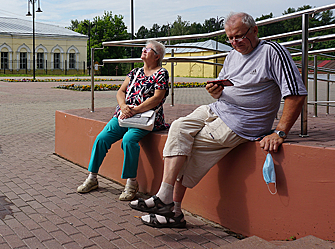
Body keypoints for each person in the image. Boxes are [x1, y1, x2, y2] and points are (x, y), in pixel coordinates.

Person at [130, 12, 307, 228]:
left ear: (255, 30)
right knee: (178, 128)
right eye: (230, 38)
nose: (235, 42)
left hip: (242, 122)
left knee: (188, 147)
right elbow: (224, 88)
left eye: (240, 36)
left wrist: (279, 132)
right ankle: (166, 202)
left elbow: (296, 93)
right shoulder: (232, 55)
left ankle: (171, 209)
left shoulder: (272, 52)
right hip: (217, 108)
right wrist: (216, 91)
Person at [77, 40, 170, 201]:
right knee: (101, 139)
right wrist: (123, 106)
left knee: (128, 140)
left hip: (145, 118)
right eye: (144, 48)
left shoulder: (161, 73)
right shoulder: (134, 72)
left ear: (157, 56)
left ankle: (131, 183)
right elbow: (121, 91)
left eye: (147, 49)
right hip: (124, 114)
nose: (143, 51)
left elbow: (157, 98)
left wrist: (134, 110)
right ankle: (92, 178)